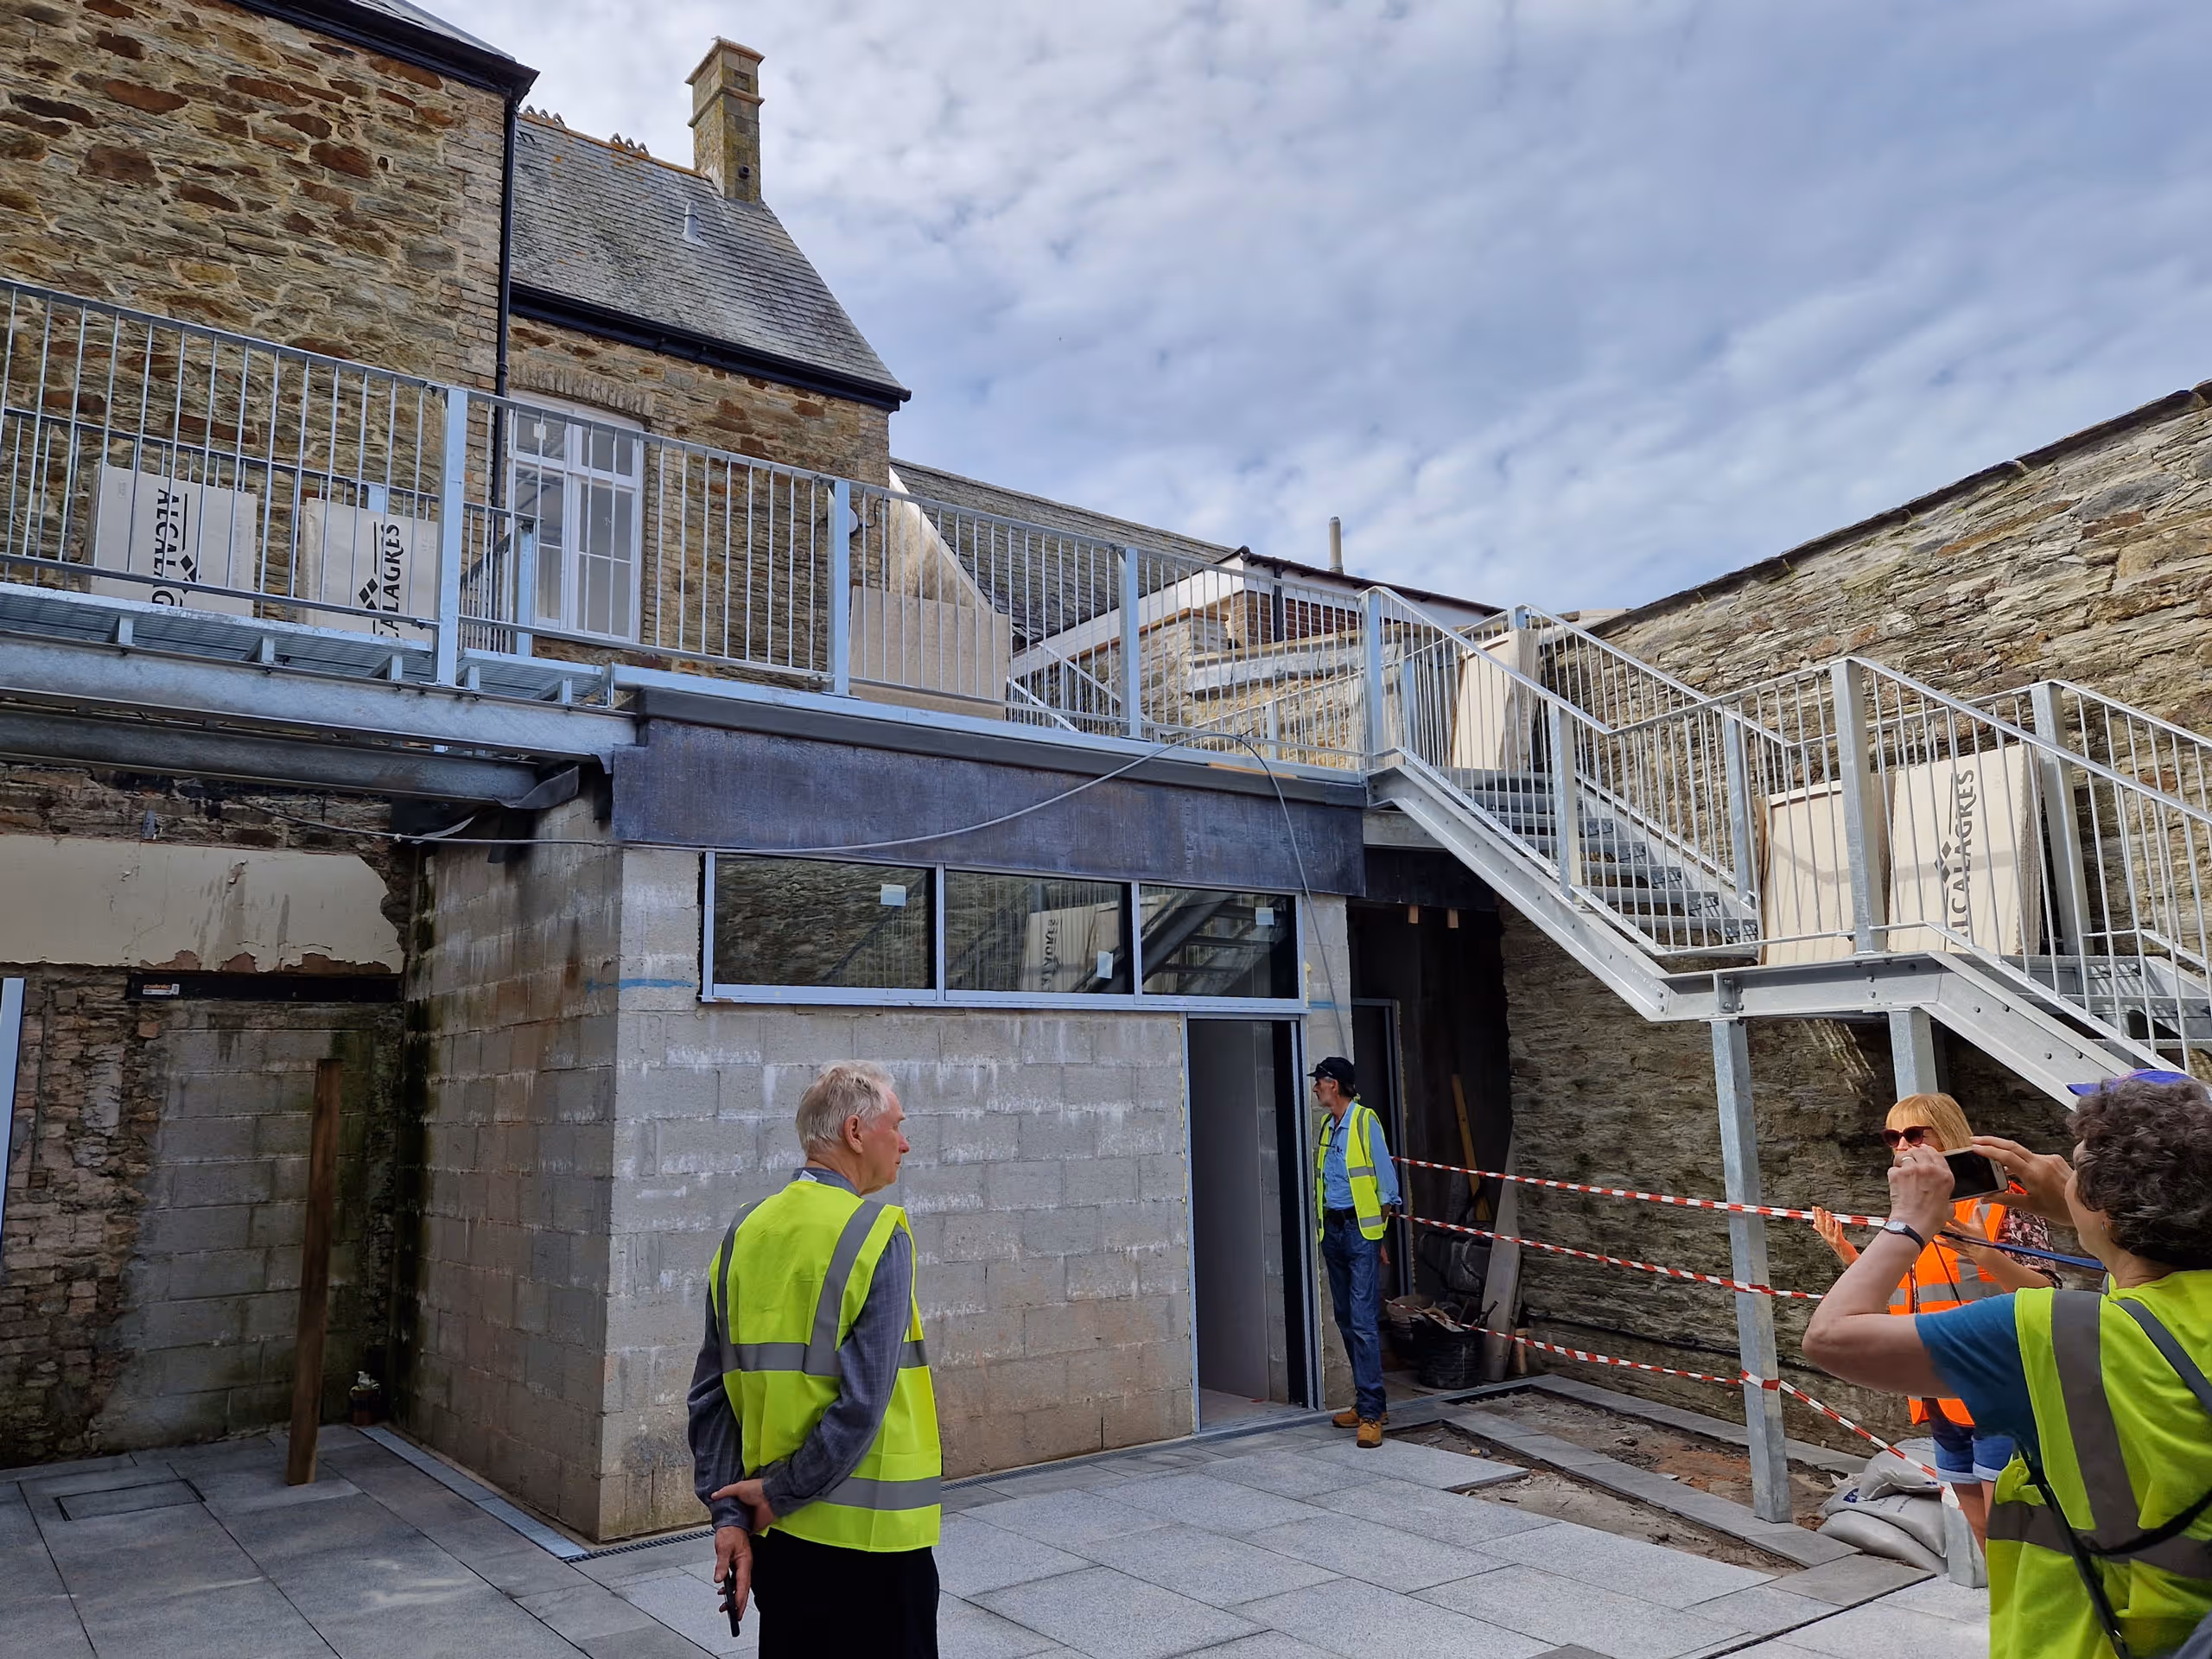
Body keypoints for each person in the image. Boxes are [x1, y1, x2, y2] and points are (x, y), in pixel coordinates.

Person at [1802, 1068, 2212, 1659]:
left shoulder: (2052, 1329)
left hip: (2091, 1637)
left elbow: (1830, 1338)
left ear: (2100, 1204)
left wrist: (1909, 1222)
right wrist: (2089, 1210)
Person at [687, 1060, 942, 1658]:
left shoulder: (742, 1233)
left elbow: (710, 1398)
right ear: (856, 1133)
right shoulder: (879, 1232)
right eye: (897, 1126)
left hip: (780, 1547)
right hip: (877, 1549)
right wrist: (777, 1493)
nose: (904, 1143)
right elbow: (862, 1405)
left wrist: (731, 1518)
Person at [1810, 1091, 2061, 1543]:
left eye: (1913, 1134)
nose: (1901, 1146)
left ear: (1947, 1135)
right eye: (1892, 1136)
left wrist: (1986, 1253)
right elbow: (1903, 1295)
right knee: (1980, 1524)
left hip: (1996, 1385)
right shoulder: (1915, 1213)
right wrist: (1849, 1253)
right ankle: (2001, 1608)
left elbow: (2047, 1295)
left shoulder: (2004, 1201)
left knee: (2014, 1525)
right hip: (1938, 1390)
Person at [1310, 1054, 1400, 1448]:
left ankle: (1370, 1412)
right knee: (1346, 1319)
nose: (1315, 1088)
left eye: (1319, 1082)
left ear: (1335, 1084)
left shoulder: (1365, 1122)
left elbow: (1387, 1184)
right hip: (1333, 1230)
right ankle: (1368, 1403)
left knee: (1362, 1321)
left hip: (1360, 1232)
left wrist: (1378, 1237)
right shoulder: (1329, 1128)